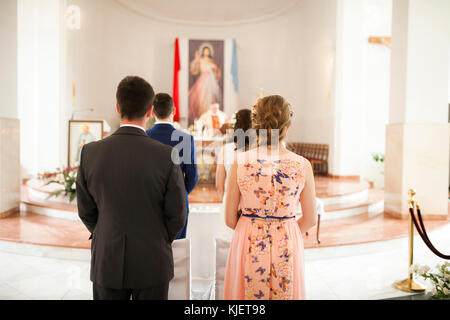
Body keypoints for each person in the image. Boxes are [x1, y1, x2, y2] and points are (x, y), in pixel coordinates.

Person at [76, 76, 187, 300]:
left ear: (118, 108)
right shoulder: (166, 155)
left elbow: (85, 210)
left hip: (107, 258)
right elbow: (177, 214)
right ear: (149, 112)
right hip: (153, 259)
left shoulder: (90, 152)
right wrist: (157, 238)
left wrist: (107, 232)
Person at [223, 95, 317, 300]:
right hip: (287, 239)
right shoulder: (302, 165)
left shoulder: (240, 161)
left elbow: (230, 219)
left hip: (248, 237)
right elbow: (311, 219)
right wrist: (286, 229)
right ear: (289, 124)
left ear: (255, 123)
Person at [147, 93, 198, 239]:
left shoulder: (144, 136)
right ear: (174, 111)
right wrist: (179, 194)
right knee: (177, 251)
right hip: (177, 205)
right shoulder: (186, 139)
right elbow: (192, 176)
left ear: (151, 112)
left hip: (149, 203)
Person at [215, 108, 253, 241]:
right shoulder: (259, 151)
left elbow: (219, 186)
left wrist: (227, 202)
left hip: (229, 206)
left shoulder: (226, 150)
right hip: (253, 208)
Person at [188, 44, 222, 124]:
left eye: (208, 51)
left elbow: (217, 73)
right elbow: (194, 69)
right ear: (203, 52)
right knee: (201, 99)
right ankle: (201, 118)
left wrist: (216, 69)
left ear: (209, 52)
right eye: (205, 51)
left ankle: (210, 119)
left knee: (211, 99)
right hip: (203, 81)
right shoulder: (200, 59)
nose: (206, 52)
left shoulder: (212, 61)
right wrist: (196, 60)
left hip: (211, 81)